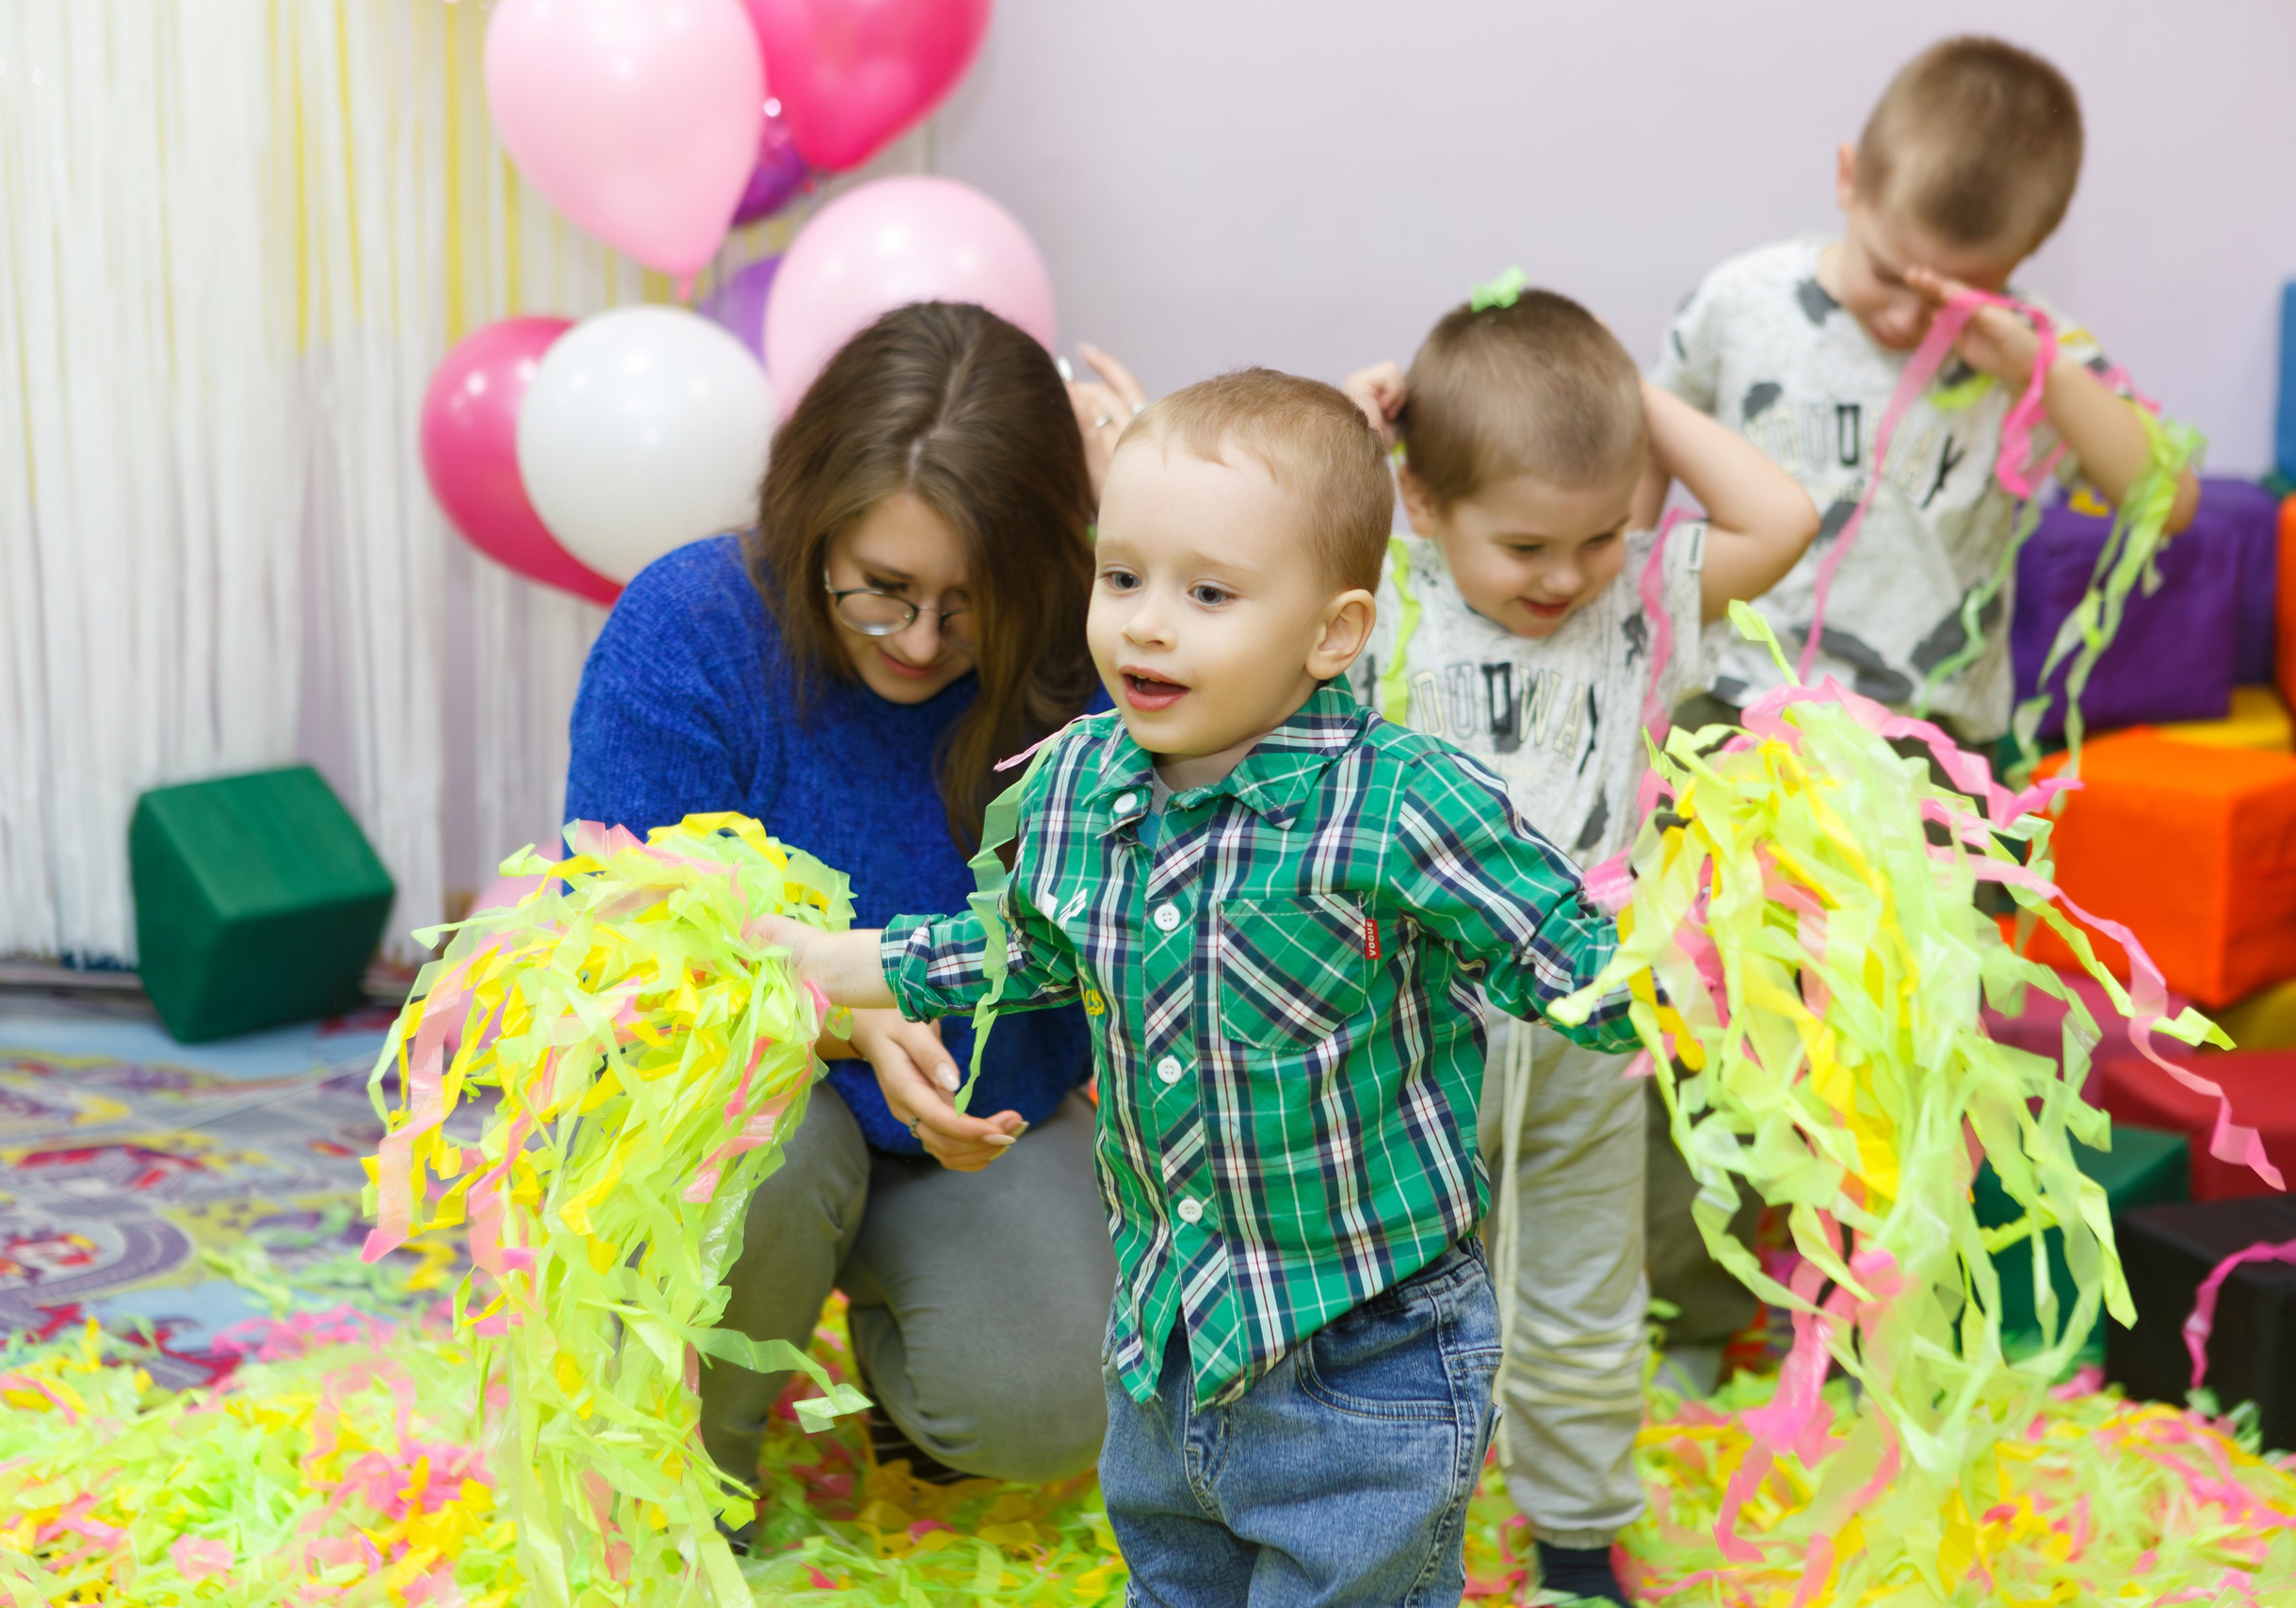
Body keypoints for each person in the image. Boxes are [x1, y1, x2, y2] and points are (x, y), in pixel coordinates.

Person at [752, 367, 1643, 1608]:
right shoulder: (1078, 781)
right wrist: (850, 964)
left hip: (1363, 1357)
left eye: (1208, 593)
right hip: (1167, 1339)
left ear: (1332, 633)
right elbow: (1028, 942)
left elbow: (1584, 970)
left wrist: (1714, 964)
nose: (1146, 625)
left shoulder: (1401, 807)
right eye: (1123, 579)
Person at [1643, 31, 2200, 1404]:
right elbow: (1646, 451)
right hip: (1736, 729)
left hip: (1925, 769)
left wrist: (2038, 370)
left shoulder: (2033, 359)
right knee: (1697, 1028)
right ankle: (1694, 1310)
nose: (1911, 316)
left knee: (1882, 1059)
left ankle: (1855, 1326)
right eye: (1895, 274)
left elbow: (2162, 498)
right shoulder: (1743, 300)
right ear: (1847, 178)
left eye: (1963, 285)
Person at [564, 301, 1126, 1516]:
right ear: (813, 520)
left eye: (968, 602)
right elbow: (619, 948)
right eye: (882, 589)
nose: (921, 642)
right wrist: (832, 1011)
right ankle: (698, 1477)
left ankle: (893, 1352)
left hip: (984, 1108)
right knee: (762, 1154)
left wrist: (1143, 542)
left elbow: (1228, 830)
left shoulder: (1084, 644)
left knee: (1047, 1404)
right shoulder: (692, 625)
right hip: (732, 1092)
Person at [1339, 286, 1818, 1605]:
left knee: (1580, 1296)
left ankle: (1574, 1534)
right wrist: (1356, 428)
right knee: (1380, 1299)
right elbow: (1267, 528)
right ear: (1425, 504)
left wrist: (1631, 407)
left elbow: (1783, 519)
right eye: (1528, 544)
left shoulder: (1642, 599)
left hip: (1584, 1026)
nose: (1563, 576)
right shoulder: (1381, 590)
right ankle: (1370, 1521)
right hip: (1405, 1038)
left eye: (1597, 535)